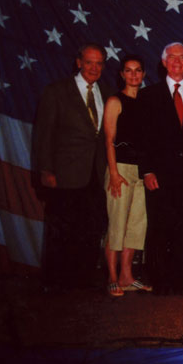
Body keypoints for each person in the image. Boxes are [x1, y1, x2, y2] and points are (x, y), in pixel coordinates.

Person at [33, 43, 110, 290]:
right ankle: (55, 284)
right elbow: (43, 135)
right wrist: (46, 170)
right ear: (78, 62)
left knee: (90, 230)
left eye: (99, 63)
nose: (93, 68)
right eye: (89, 62)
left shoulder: (107, 92)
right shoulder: (56, 91)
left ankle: (82, 282)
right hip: (64, 174)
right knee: (61, 231)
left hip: (95, 175)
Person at [136, 42, 183, 295]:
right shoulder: (148, 96)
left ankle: (180, 281)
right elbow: (141, 139)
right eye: (172, 57)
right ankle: (161, 282)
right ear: (164, 62)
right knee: (160, 227)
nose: (177, 62)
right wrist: (148, 170)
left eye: (182, 58)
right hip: (159, 175)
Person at [101, 54, 149, 297]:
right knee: (117, 224)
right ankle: (111, 276)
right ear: (121, 74)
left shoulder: (147, 101)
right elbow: (108, 140)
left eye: (138, 70)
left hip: (142, 171)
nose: (133, 75)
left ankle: (127, 276)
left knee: (136, 226)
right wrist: (113, 173)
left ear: (143, 73)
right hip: (120, 168)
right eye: (128, 70)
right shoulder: (114, 101)